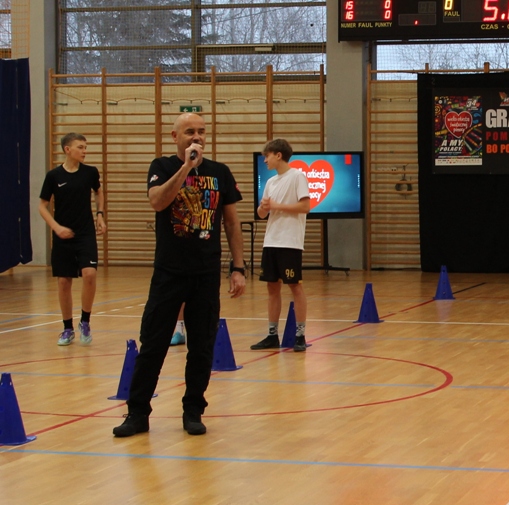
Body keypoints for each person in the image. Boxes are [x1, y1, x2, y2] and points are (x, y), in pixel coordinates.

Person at [113, 113, 246, 437]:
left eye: (201, 131)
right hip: (169, 273)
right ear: (175, 136)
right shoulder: (161, 167)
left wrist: (238, 267)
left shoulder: (220, 172)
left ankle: (193, 410)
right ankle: (138, 413)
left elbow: (231, 223)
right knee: (153, 343)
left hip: (206, 273)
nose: (196, 137)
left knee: (201, 347)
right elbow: (158, 202)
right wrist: (186, 167)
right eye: (189, 132)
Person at [39, 133, 106, 346]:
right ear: (67, 150)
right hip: (63, 235)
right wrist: (56, 227)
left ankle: (85, 321)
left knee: (89, 274)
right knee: (64, 281)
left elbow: (98, 192)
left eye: (85, 147)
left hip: (85, 233)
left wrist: (100, 215)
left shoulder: (90, 172)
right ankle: (67, 328)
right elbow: (42, 206)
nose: (85, 151)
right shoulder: (53, 176)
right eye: (80, 147)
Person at [250, 139, 310, 353]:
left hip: (289, 241)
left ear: (278, 155)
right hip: (271, 240)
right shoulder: (270, 182)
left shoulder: (297, 176)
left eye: (267, 156)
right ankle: (272, 335)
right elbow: (261, 213)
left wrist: (277, 205)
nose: (265, 160)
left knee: (295, 286)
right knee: (272, 287)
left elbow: (305, 206)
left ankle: (300, 335)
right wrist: (264, 208)